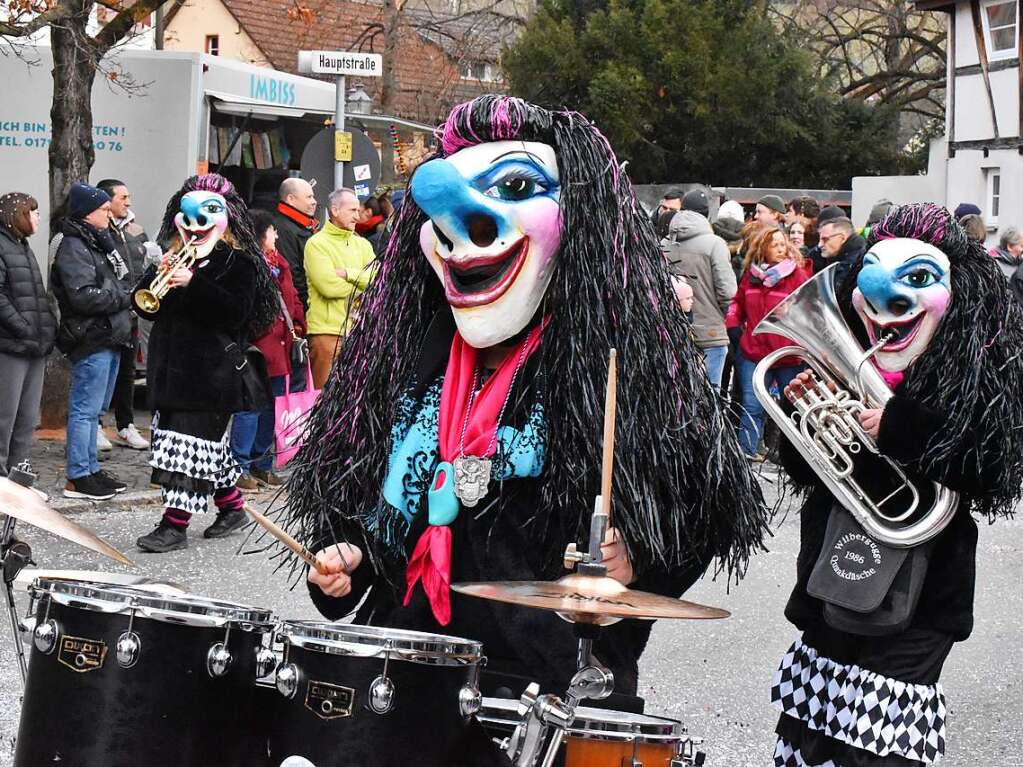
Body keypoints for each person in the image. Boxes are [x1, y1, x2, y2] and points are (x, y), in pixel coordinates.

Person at [286, 95, 768, 708]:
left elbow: (698, 509)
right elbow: (359, 519)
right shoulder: (403, 363)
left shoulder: (617, 369)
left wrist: (636, 563)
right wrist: (342, 563)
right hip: (407, 673)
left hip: (547, 688)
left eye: (515, 187)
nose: (464, 231)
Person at [771, 203, 1023, 767]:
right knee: (815, 733)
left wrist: (900, 426)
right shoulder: (845, 353)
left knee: (881, 748)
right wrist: (799, 418)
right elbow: (808, 470)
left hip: (926, 585)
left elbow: (993, 467)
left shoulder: (972, 367)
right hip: (833, 570)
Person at [134, 174, 279, 553]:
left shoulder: (240, 263)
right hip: (170, 369)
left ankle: (174, 525)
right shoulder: (173, 256)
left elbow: (236, 314)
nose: (195, 227)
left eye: (206, 216)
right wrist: (156, 277)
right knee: (196, 446)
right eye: (188, 217)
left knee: (186, 448)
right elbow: (145, 307)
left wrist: (193, 283)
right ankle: (232, 508)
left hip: (210, 373)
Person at [50, 182, 132, 501]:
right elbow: (84, 297)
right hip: (92, 335)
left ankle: (91, 470)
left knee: (94, 411)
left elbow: (120, 281)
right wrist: (124, 297)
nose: (108, 214)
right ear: (87, 214)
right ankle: (78, 476)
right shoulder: (74, 245)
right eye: (102, 209)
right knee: (84, 410)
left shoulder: (98, 241)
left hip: (108, 334)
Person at [231, 210, 306, 490]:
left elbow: (293, 297)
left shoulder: (279, 264)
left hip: (281, 347)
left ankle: (262, 463)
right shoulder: (248, 265)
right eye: (272, 231)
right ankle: (239, 466)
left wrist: (298, 323)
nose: (276, 236)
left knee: (272, 408)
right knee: (250, 407)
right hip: (258, 348)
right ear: (261, 234)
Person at [726, 225, 809, 459]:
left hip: (787, 355)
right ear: (762, 248)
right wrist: (733, 326)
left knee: (793, 407)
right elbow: (737, 304)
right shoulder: (751, 277)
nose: (781, 249)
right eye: (775, 245)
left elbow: (808, 309)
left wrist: (793, 313)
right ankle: (746, 452)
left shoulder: (797, 275)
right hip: (753, 352)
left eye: (783, 244)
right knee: (752, 405)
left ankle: (795, 457)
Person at [0, 193, 57, 478]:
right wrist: (23, 327)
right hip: (10, 346)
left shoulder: (22, 246)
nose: (37, 218)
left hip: (33, 346)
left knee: (26, 416)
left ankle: (18, 469)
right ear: (16, 215)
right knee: (4, 415)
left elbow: (35, 295)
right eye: (32, 212)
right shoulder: (1, 245)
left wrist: (46, 330)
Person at [303, 188, 377, 390]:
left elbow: (378, 279)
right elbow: (328, 286)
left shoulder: (362, 245)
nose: (357, 215)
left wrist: (347, 273)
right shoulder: (316, 244)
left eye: (358, 210)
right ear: (334, 211)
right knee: (323, 402)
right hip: (326, 333)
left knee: (355, 399)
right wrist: (362, 283)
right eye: (352, 210)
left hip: (359, 332)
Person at [97, 178, 151, 451]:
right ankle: (96, 425)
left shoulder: (134, 229)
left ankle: (126, 425)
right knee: (106, 372)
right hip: (111, 311)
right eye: (123, 197)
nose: (128, 202)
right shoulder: (100, 230)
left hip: (131, 312)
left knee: (127, 371)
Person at [662, 190, 737, 387]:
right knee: (710, 396)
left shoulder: (663, 244)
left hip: (671, 330)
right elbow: (728, 291)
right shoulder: (715, 244)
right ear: (707, 214)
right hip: (710, 332)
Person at [272, 177, 319, 309]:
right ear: (291, 199)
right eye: (309, 197)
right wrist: (306, 306)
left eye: (313, 197)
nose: (314, 202)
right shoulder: (283, 228)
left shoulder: (304, 226)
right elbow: (292, 273)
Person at [815, 216, 866, 286]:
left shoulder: (857, 263)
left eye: (825, 239)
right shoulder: (842, 260)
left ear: (842, 238)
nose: (819, 245)